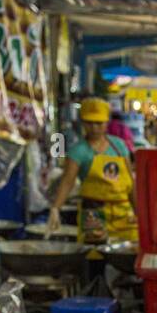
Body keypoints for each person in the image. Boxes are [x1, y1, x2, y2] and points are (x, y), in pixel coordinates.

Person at [46, 96, 136, 243]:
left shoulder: (119, 146)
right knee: (95, 257)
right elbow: (67, 182)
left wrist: (140, 213)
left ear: (107, 122)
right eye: (89, 123)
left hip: (123, 213)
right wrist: (56, 208)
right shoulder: (78, 151)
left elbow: (131, 183)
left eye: (99, 123)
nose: (94, 128)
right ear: (82, 123)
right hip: (94, 215)